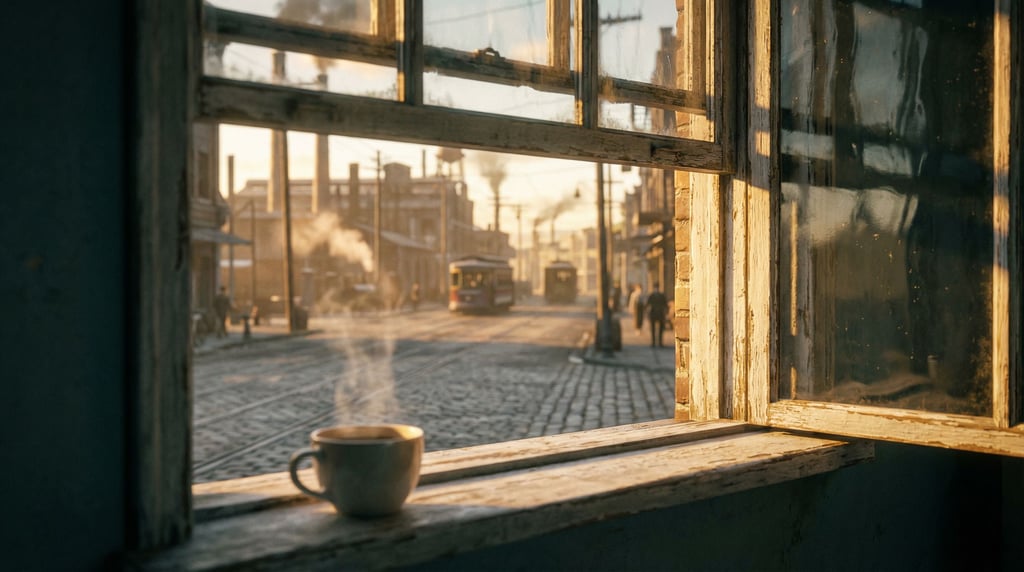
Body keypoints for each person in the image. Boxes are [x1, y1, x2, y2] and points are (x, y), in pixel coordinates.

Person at [644, 283, 669, 348]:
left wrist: (666, 313)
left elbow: (665, 304)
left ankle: (660, 342)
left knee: (661, 329)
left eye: (657, 287)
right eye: (655, 287)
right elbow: (647, 304)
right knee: (652, 329)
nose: (656, 289)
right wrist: (647, 313)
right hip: (653, 313)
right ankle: (653, 343)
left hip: (660, 314)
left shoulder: (662, 296)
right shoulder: (651, 296)